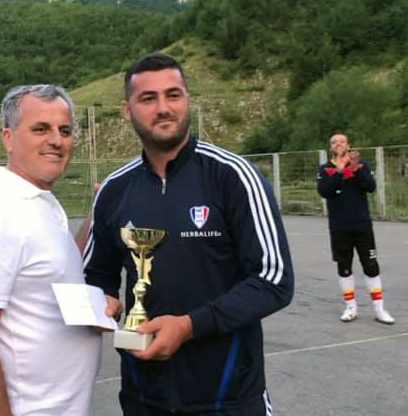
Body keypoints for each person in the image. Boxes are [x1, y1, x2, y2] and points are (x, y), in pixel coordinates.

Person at [83, 53, 294, 415]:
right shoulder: (114, 190)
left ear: (187, 100)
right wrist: (103, 300)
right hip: (143, 398)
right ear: (127, 111)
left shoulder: (234, 176)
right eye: (148, 98)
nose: (163, 108)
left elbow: (274, 280)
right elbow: (97, 274)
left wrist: (189, 326)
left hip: (229, 399)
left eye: (173, 95)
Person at [0, 84, 102, 416]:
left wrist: (96, 213)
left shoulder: (38, 203)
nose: (57, 140)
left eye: (64, 131)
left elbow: (59, 267)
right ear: (8, 138)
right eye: (41, 129)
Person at [317, 133, 395, 325]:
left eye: (342, 141)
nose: (339, 144)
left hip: (362, 225)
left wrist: (355, 168)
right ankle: (350, 307)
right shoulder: (325, 168)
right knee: (344, 267)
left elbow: (370, 186)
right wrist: (340, 170)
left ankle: (379, 310)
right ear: (331, 147)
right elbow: (325, 191)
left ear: (348, 145)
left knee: (371, 266)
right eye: (334, 142)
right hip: (339, 226)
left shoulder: (362, 165)